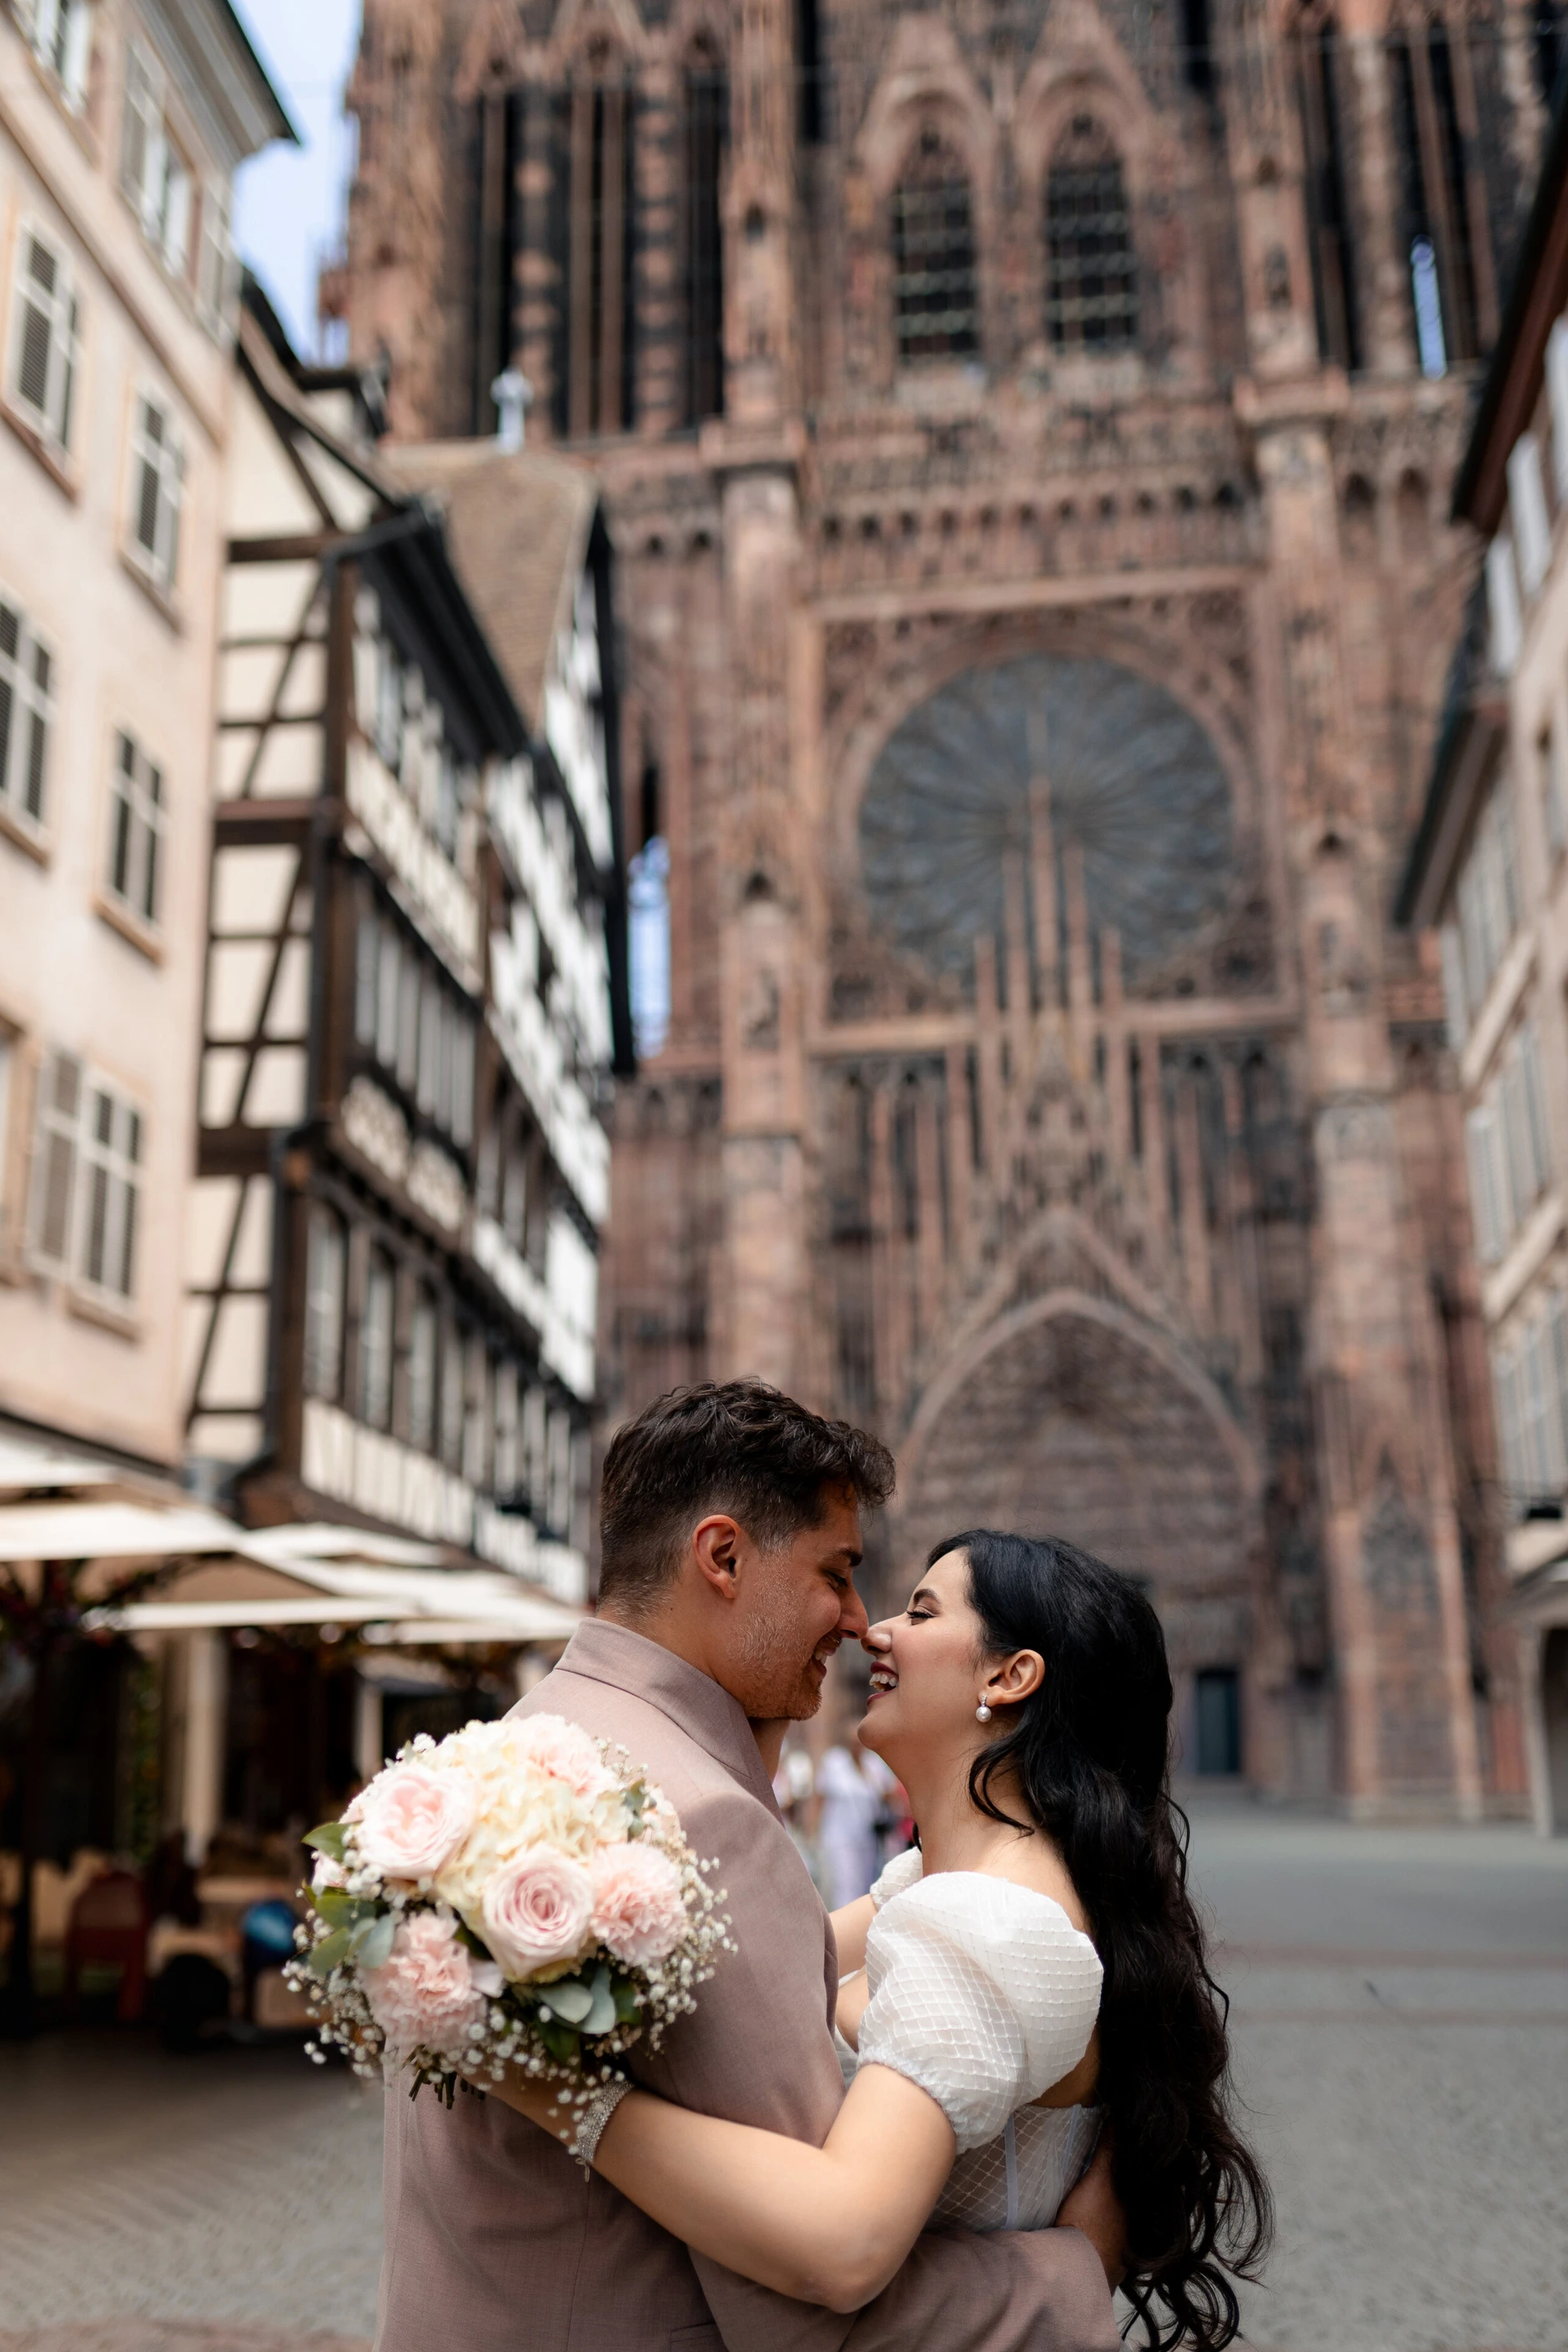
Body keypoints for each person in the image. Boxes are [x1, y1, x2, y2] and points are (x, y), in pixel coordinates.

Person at [374, 1382, 1123, 2352]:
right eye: (836, 1573)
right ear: (722, 1557)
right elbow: (814, 2303)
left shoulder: (509, 1755)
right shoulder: (705, 1822)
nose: (859, 1621)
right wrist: (1076, 2271)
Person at [484, 1527, 1270, 2349]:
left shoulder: (995, 1920)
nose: (876, 1630)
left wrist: (556, 2095)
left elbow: (845, 2242)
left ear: (1008, 1677)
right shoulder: (935, 1884)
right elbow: (755, 1974)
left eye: (922, 1614)